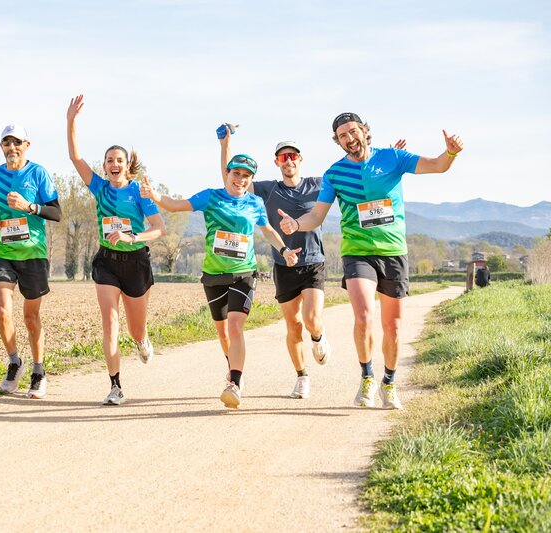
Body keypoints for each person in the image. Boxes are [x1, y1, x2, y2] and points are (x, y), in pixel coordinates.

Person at [279, 112, 464, 409]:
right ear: (337, 142)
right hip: (358, 252)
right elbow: (317, 215)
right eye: (342, 136)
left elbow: (437, 166)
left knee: (394, 326)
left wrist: (451, 151)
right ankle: (367, 376)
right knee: (364, 317)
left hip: (393, 252)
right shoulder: (335, 173)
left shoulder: (393, 158)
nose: (349, 138)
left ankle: (389, 383)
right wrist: (296, 225)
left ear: (365, 131)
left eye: (353, 131)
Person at [141, 149, 300, 409]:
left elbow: (268, 231)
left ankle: (234, 383)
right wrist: (155, 196)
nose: (241, 179)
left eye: (247, 175)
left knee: (236, 326)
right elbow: (175, 206)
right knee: (224, 333)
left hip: (244, 274)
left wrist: (284, 250)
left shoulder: (255, 203)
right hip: (214, 275)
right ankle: (234, 369)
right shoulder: (211, 197)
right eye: (236, 173)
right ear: (227, 173)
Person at [66, 94, 166, 406]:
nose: (113, 164)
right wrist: (71, 120)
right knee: (110, 322)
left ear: (126, 165)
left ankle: (142, 338)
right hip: (107, 262)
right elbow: (75, 158)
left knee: (136, 329)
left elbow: (159, 228)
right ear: (105, 166)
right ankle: (115, 386)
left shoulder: (139, 191)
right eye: (109, 160)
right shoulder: (100, 187)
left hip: (136, 262)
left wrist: (134, 237)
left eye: (118, 160)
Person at [220, 128, 330, 400]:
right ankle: (302, 376)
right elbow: (231, 178)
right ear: (277, 163)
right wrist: (226, 144)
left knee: (312, 320)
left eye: (292, 156)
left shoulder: (317, 184)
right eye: (283, 158)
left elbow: (350, 177)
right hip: (283, 265)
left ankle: (318, 337)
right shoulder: (268, 190)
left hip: (313, 261)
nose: (288, 161)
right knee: (293, 327)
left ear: (300, 159)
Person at [0, 124, 62, 399]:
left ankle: (39, 372)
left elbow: (56, 213)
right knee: (3, 311)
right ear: (1, 148)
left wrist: (29, 207)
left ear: (27, 145)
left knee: (31, 317)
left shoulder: (38, 173)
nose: (12, 148)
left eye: (17, 143)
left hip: (33, 253)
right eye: (7, 143)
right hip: (3, 251)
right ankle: (15, 362)